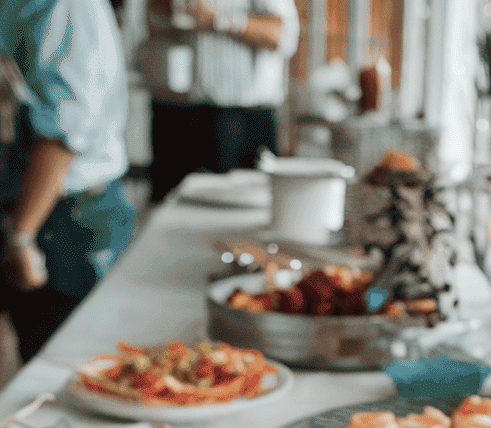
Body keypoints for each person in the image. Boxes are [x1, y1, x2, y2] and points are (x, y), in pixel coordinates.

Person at [0, 0, 135, 364]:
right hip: (28, 205)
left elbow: (62, 136)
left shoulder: (67, 6)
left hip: (67, 216)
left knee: (66, 369)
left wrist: (21, 237)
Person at [137, 0, 300, 204]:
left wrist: (219, 19)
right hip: (173, 113)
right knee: (167, 212)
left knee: (236, 220)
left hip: (237, 120)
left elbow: (281, 35)